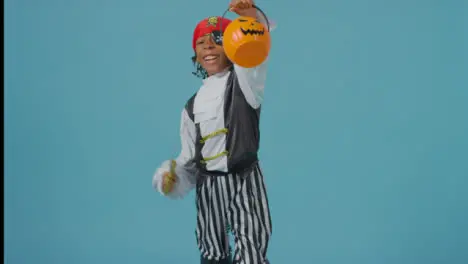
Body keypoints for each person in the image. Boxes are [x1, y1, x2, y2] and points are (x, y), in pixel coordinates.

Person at [152, 0, 274, 263]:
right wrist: (170, 177)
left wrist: (251, 20)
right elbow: (188, 159)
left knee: (251, 248)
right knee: (212, 251)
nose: (208, 45)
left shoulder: (245, 81)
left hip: (245, 180)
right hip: (209, 186)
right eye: (201, 42)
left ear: (232, 45)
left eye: (217, 39)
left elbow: (255, 53)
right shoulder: (191, 107)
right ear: (195, 54)